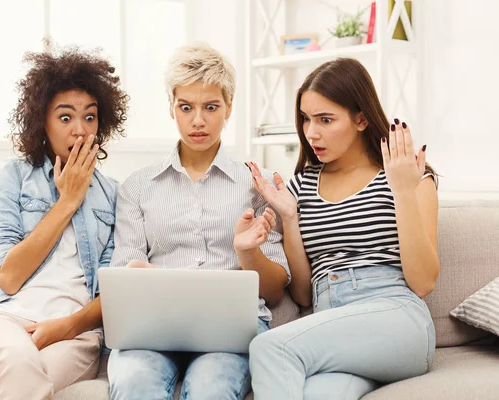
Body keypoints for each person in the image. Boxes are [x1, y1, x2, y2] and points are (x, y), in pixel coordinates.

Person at [247, 57, 439, 400]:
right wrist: (291, 220)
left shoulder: (406, 176)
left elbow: (423, 282)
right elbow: (304, 295)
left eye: (325, 119)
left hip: (397, 318)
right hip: (332, 322)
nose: (311, 132)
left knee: (269, 348)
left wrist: (403, 191)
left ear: (362, 119)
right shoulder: (302, 185)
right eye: (306, 119)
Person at [106, 43, 290, 400]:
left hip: (230, 330)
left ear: (229, 107)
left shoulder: (256, 184)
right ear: (171, 107)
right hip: (151, 328)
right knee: (134, 384)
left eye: (211, 107)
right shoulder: (137, 187)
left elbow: (274, 290)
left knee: (212, 388)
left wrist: (248, 252)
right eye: (185, 107)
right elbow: (118, 281)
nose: (198, 121)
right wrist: (133, 273)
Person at [0, 47, 128, 400]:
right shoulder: (10, 178)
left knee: (18, 383)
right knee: (16, 364)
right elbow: (9, 276)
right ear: (41, 122)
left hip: (73, 335)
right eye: (65, 118)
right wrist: (68, 202)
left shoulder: (114, 196)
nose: (80, 130)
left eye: (90, 118)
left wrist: (65, 327)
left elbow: (114, 290)